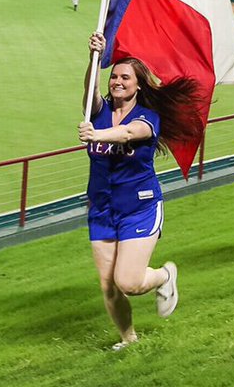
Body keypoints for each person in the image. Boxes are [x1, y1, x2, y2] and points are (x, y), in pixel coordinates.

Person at [79, 32, 202, 349]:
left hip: (140, 207)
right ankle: (129, 339)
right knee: (108, 285)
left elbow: (128, 133)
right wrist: (94, 56)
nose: (117, 82)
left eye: (125, 77)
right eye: (114, 76)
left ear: (138, 85)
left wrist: (98, 134)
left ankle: (164, 276)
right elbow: (88, 92)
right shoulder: (99, 109)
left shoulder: (148, 117)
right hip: (103, 209)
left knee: (129, 282)